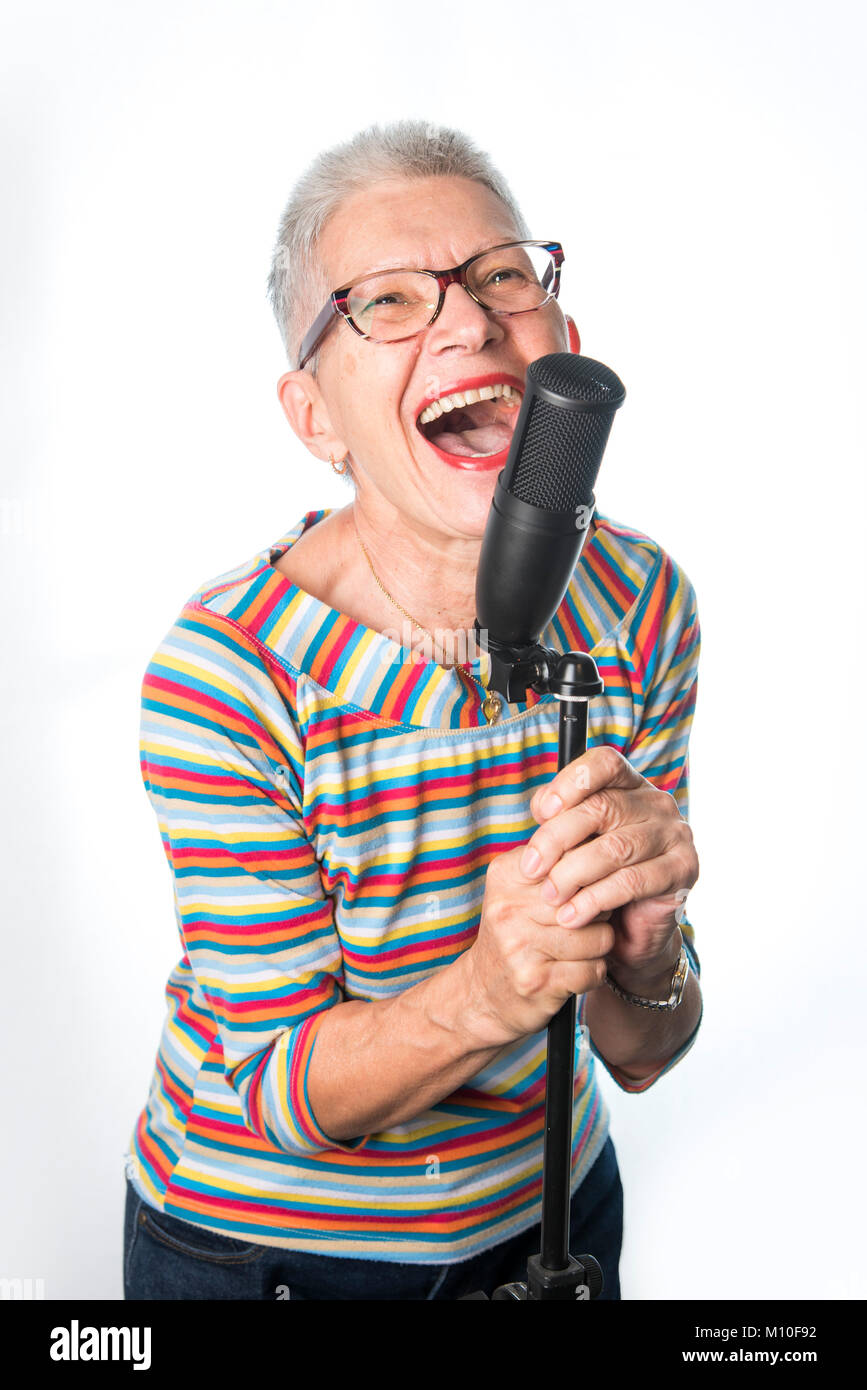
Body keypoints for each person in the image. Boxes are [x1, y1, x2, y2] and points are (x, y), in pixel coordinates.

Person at [123, 119, 702, 1302]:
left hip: (553, 1209)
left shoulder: (642, 605)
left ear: (564, 348)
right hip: (273, 1254)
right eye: (385, 299)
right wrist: (492, 987)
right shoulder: (228, 676)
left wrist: (646, 959)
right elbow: (284, 1098)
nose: (469, 317)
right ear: (315, 417)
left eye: (501, 275)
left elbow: (645, 1052)